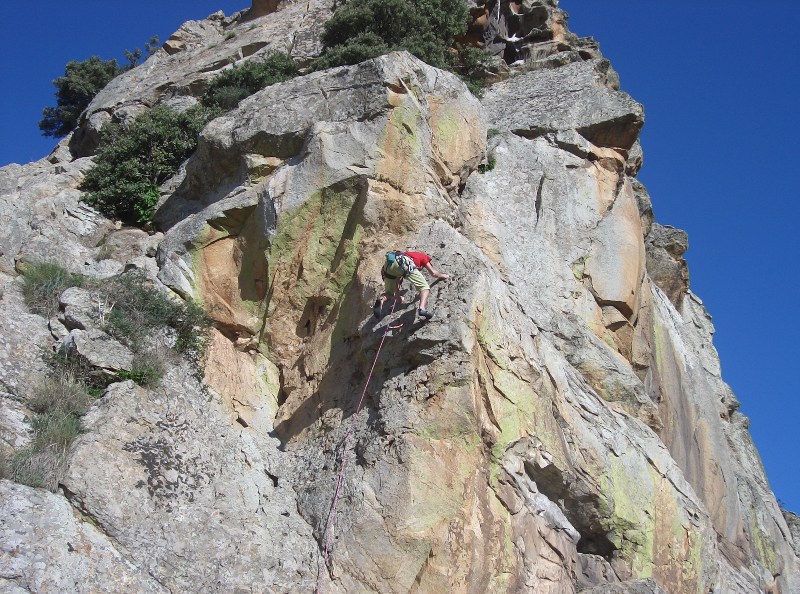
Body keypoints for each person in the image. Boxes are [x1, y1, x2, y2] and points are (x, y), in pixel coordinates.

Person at [373, 251, 448, 320]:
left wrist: (398, 298)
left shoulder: (408, 254)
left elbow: (396, 282)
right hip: (402, 262)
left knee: (389, 293)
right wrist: (443, 275)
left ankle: (381, 299)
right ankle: (422, 309)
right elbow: (433, 273)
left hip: (388, 266)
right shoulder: (424, 257)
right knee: (424, 288)